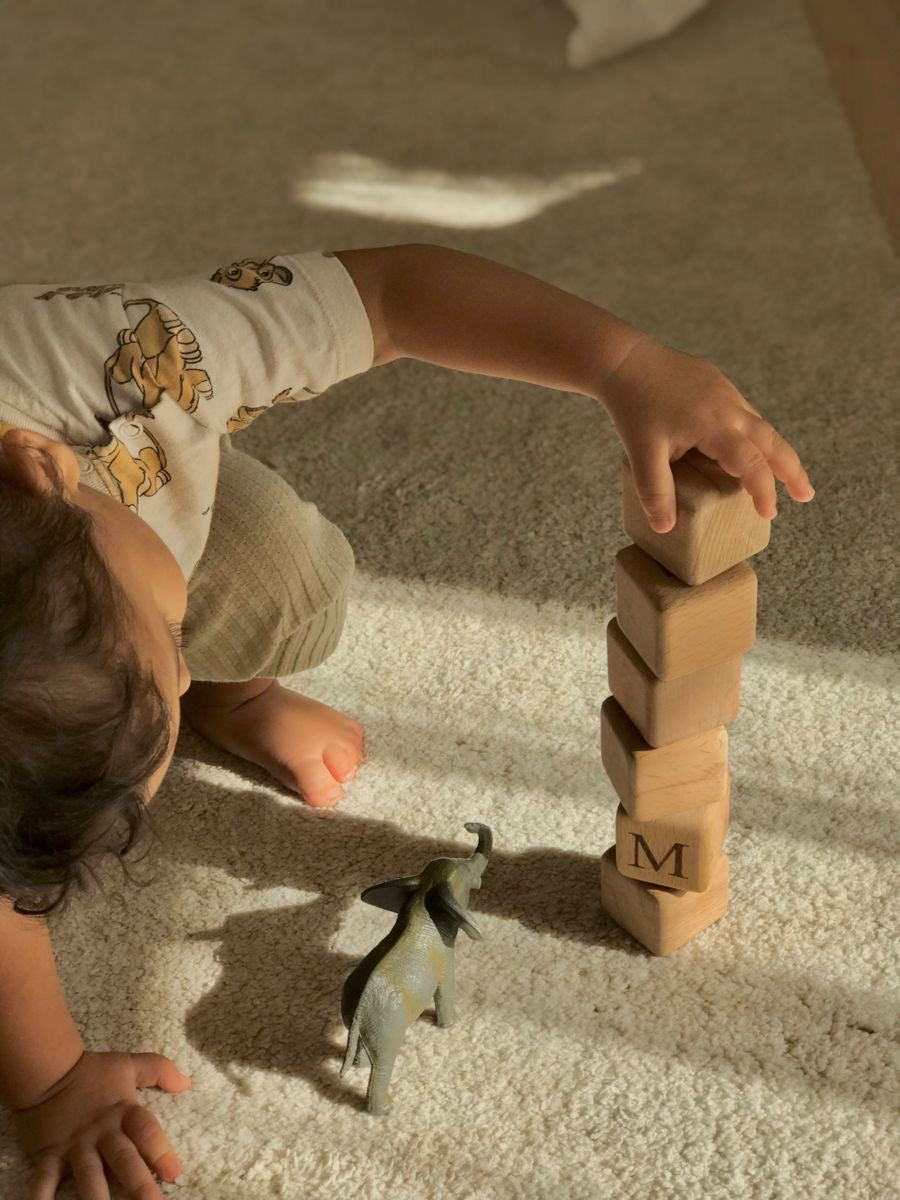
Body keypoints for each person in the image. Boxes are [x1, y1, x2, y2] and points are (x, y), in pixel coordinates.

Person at [0, 241, 815, 1197]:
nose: (179, 669)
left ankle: (243, 691)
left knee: (294, 584)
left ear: (37, 471)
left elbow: (391, 295)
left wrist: (624, 365)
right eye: (181, 662)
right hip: (97, 544)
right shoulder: (72, 555)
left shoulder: (116, 359)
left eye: (175, 645)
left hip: (140, 478)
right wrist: (52, 1082)